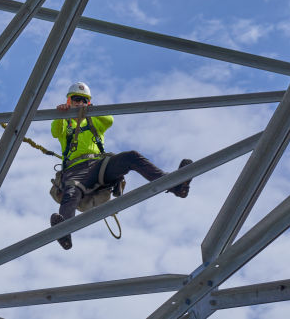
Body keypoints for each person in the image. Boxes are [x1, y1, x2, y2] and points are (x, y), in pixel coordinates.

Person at [48, 82, 193, 250]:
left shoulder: (94, 120)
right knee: (71, 193)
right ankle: (64, 232)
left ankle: (175, 186)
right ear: (69, 100)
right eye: (76, 99)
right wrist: (62, 113)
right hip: (76, 171)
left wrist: (90, 111)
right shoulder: (65, 123)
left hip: (99, 165)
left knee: (131, 157)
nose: (80, 103)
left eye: (84, 100)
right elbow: (55, 131)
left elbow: (109, 119)